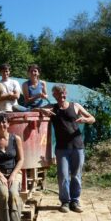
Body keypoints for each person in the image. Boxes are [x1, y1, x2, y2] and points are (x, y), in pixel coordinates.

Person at [36, 84, 95, 213]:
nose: (61, 96)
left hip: (77, 146)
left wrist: (85, 119)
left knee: (76, 175)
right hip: (62, 148)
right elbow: (35, 109)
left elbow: (92, 118)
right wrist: (42, 110)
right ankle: (65, 202)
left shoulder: (75, 106)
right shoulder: (52, 107)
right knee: (63, 175)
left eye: (63, 94)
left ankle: (75, 201)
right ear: (55, 95)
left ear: (66, 94)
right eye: (58, 94)